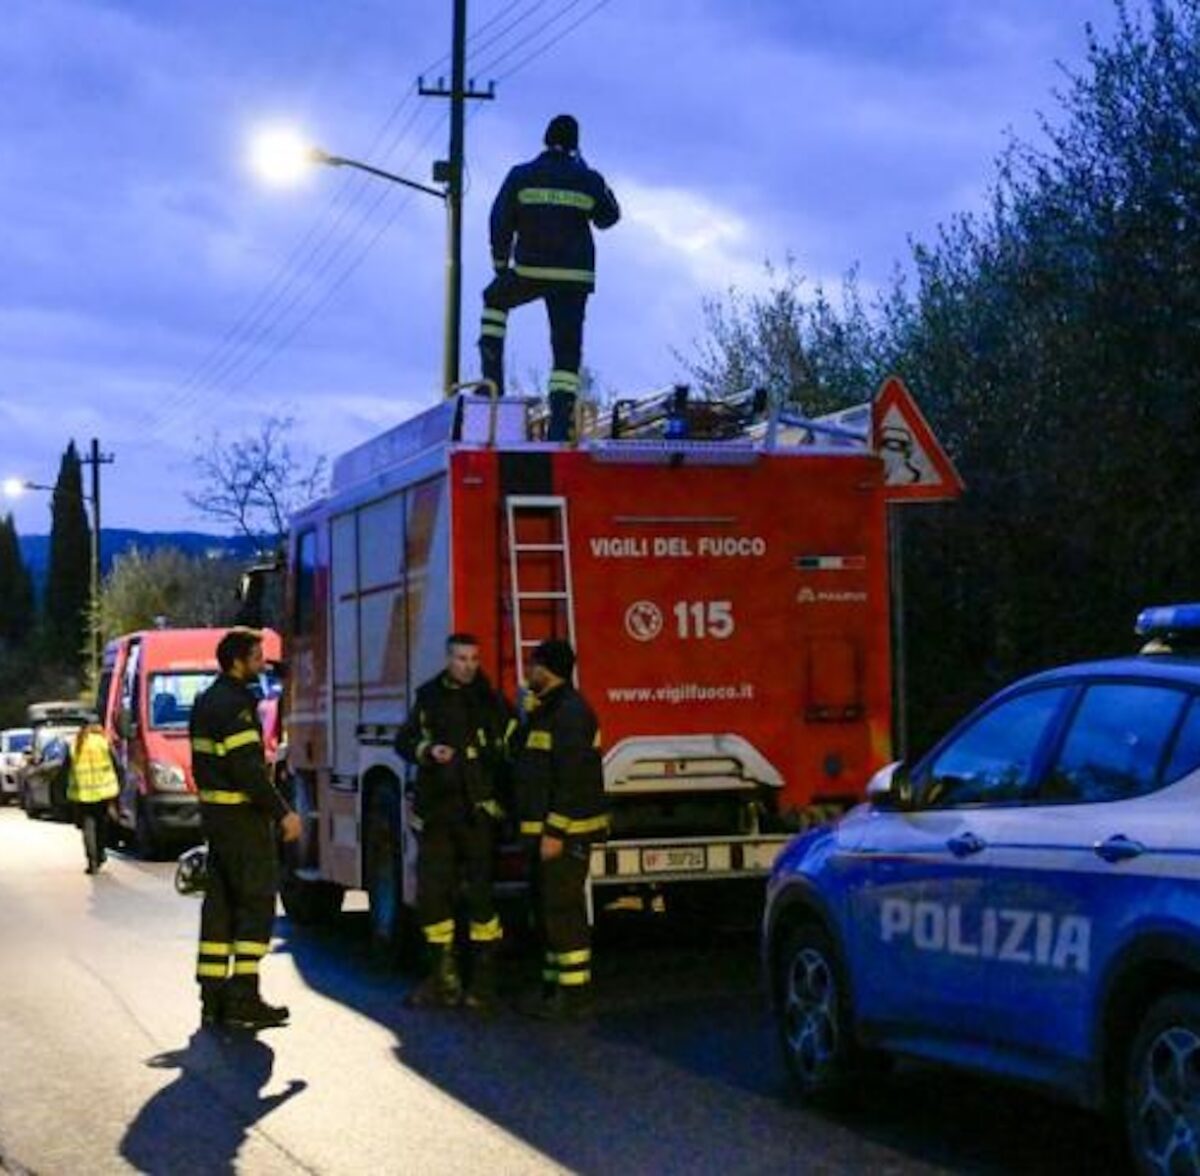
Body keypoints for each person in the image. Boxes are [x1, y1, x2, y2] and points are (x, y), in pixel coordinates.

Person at [479, 113, 620, 441]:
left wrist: (501, 267)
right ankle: (559, 424)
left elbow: (499, 220)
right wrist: (586, 171)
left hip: (530, 270)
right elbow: (609, 217)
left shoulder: (521, 176)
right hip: (574, 277)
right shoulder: (588, 179)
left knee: (493, 300)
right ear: (575, 144)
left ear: (544, 139)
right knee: (566, 351)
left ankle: (492, 386)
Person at [395, 634, 513, 1012]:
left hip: (478, 816)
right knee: (434, 896)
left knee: (482, 900)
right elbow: (404, 740)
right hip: (439, 815)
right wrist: (428, 751)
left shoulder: (490, 701)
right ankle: (442, 981)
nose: (469, 665)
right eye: (462, 658)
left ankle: (484, 983)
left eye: (474, 658)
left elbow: (512, 749)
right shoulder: (429, 696)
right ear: (448, 659)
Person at [190, 628, 301, 1030]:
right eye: (256, 657)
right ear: (238, 661)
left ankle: (212, 998)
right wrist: (283, 813)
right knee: (255, 904)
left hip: (216, 821)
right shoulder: (237, 704)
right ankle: (244, 997)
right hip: (242, 821)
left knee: (219, 907)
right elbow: (248, 771)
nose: (261, 664)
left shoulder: (206, 700)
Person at [512, 639, 607, 1020]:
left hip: (565, 836)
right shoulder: (546, 711)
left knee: (562, 911)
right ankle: (553, 988)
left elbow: (571, 781)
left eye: (533, 665)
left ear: (547, 669)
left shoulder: (570, 713)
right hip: (545, 835)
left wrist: (555, 832)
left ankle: (575, 994)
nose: (527, 672)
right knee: (547, 911)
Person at [67, 717, 119, 875]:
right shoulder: (102, 742)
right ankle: (101, 853)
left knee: (87, 828)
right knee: (102, 825)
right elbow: (116, 763)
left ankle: (92, 861)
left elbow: (65, 769)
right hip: (103, 791)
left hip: (82, 793)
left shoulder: (75, 743)